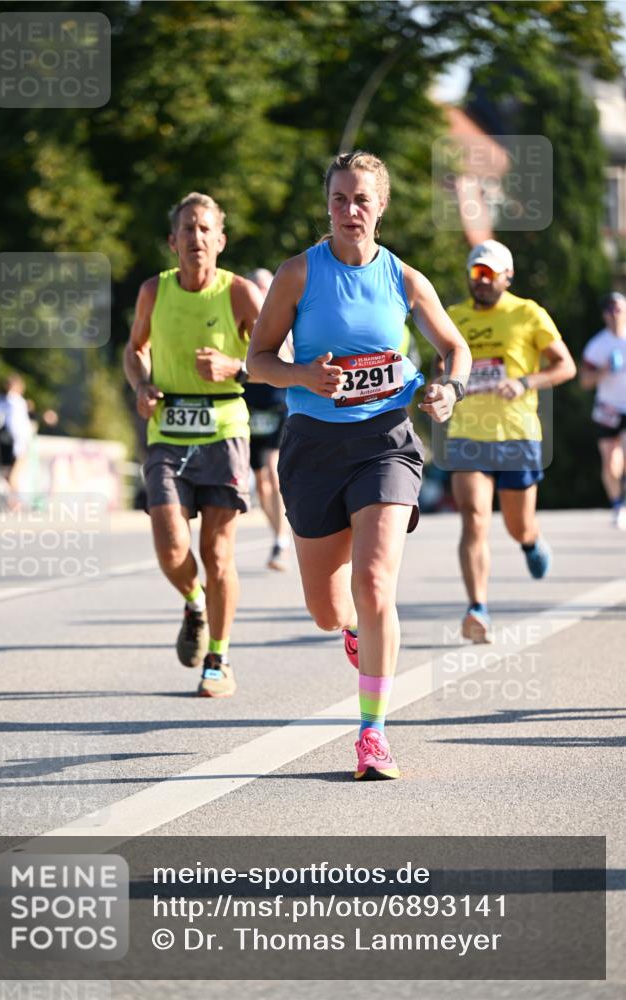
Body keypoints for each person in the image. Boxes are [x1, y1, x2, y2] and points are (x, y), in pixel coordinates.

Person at [247, 151, 472, 780]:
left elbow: (454, 347)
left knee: (374, 583)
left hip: (386, 441)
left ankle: (372, 733)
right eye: (341, 198)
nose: (351, 210)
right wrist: (303, 376)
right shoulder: (298, 274)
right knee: (327, 609)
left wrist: (447, 390)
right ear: (328, 204)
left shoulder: (404, 279)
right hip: (313, 447)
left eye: (363, 200)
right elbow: (257, 361)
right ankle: (350, 629)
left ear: (382, 206)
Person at [124, 192, 262, 698]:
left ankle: (219, 658)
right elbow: (134, 350)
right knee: (171, 542)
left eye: (205, 229)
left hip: (224, 429)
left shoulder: (241, 294)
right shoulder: (153, 292)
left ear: (220, 241)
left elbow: (283, 355)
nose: (196, 237)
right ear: (172, 241)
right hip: (167, 430)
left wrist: (235, 367)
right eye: (188, 229)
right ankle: (194, 601)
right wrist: (140, 384)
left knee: (219, 553)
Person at [444, 240, 576, 643]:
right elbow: (441, 367)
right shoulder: (453, 317)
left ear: (507, 276)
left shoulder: (527, 313)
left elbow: (564, 366)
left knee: (517, 525)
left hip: (517, 435)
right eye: (475, 273)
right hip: (467, 433)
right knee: (474, 518)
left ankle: (530, 541)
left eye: (489, 274)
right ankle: (477, 608)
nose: (480, 281)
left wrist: (524, 382)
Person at [243, 268, 292, 571]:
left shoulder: (283, 321)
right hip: (249, 408)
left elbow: (289, 362)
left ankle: (281, 540)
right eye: (254, 286)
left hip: (278, 406)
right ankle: (277, 535)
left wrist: (242, 369)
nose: (259, 292)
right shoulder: (236, 321)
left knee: (273, 473)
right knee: (260, 483)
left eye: (264, 286)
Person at [580, 291, 626, 529]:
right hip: (608, 408)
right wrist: (603, 371)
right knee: (610, 463)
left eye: (617, 308)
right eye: (609, 310)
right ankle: (618, 504)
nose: (614, 314)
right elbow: (584, 381)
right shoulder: (598, 346)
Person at [0, 373, 34, 505]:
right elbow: (19, 427)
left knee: (7, 473)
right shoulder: (16, 402)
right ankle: (15, 502)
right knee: (15, 473)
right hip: (16, 442)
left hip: (0, 443)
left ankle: (12, 500)